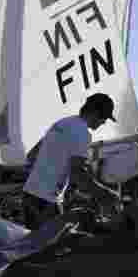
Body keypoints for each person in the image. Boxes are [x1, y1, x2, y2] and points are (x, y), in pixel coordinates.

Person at [22, 93, 121, 230]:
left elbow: (32, 155)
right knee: (54, 249)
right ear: (95, 113)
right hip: (46, 201)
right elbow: (78, 174)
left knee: (32, 247)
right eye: (104, 118)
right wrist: (106, 194)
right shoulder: (82, 133)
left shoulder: (62, 122)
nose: (104, 122)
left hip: (30, 194)